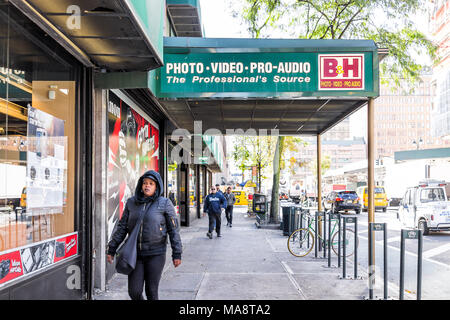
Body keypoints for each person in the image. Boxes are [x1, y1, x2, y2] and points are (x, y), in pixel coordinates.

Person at [106, 170, 182, 300]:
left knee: (151, 291)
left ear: (157, 186)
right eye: (145, 183)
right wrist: (112, 248)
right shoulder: (131, 202)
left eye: (151, 183)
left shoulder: (164, 203)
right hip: (136, 254)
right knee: (134, 292)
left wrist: (177, 253)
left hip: (156, 254)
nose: (147, 186)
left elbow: (174, 230)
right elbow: (122, 228)